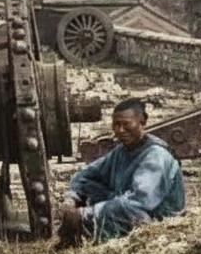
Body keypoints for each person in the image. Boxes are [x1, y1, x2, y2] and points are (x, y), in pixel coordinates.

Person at [59, 98, 185, 244]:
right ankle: (82, 228)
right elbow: (86, 175)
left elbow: (140, 201)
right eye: (116, 124)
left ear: (142, 122)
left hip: (156, 219)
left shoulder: (156, 155)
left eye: (126, 124)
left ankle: (83, 228)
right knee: (91, 186)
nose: (120, 130)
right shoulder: (122, 150)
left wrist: (86, 213)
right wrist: (71, 199)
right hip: (129, 205)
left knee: (124, 208)